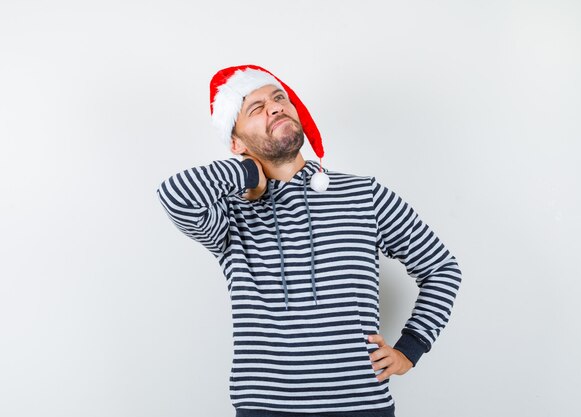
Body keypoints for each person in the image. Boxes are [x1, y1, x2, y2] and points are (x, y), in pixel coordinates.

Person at [156, 64, 463, 417]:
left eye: (279, 98)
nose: (275, 107)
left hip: (362, 407)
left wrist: (411, 348)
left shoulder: (364, 194)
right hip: (264, 409)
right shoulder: (229, 215)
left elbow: (441, 268)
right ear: (236, 142)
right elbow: (175, 195)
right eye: (256, 108)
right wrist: (248, 171)